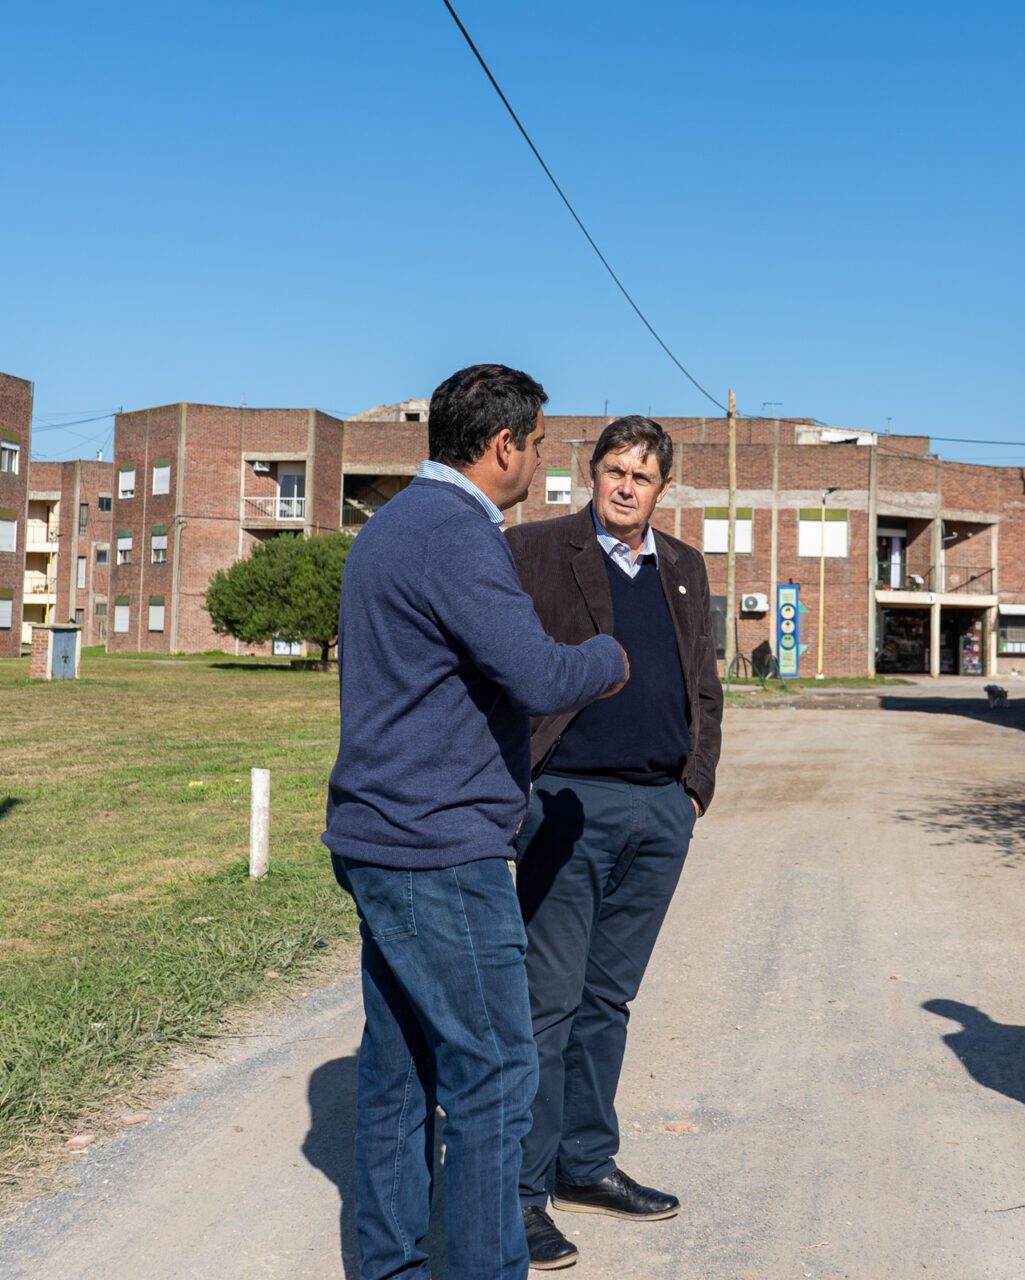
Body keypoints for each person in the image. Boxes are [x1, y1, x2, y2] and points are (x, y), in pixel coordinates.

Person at [323, 364, 628, 1280]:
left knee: (401, 1071)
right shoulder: (456, 534)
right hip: (438, 849)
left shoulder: (392, 526)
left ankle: (392, 1266)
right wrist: (607, 657)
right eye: (537, 444)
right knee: (495, 1075)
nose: (540, 459)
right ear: (502, 445)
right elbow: (535, 674)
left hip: (381, 838)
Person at [504, 415, 723, 1270]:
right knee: (548, 1003)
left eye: (643, 475)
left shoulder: (684, 566)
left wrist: (693, 788)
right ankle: (521, 1194)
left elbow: (704, 683)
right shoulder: (536, 550)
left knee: (608, 1001)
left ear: (663, 488)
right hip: (565, 804)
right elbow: (501, 670)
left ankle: (584, 1164)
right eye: (615, 471)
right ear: (591, 473)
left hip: (659, 811)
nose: (627, 487)